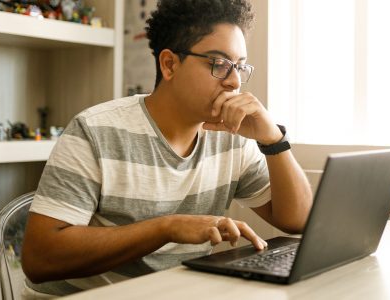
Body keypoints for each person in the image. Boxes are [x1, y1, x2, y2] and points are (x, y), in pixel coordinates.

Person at [21, 0, 312, 297]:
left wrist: (273, 140)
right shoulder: (95, 131)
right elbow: (40, 259)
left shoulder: (231, 138)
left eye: (238, 66)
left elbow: (297, 220)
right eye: (219, 64)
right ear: (170, 64)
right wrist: (167, 228)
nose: (235, 81)